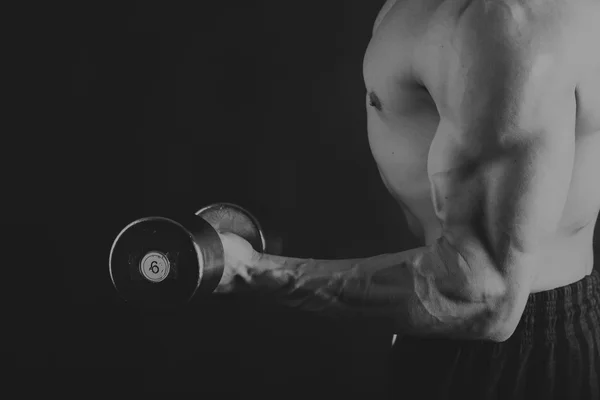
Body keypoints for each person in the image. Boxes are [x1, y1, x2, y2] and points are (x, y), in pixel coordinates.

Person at [216, 0, 600, 398]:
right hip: (454, 333)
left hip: (506, 359)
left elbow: (482, 293)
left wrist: (253, 271)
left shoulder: (499, 22)